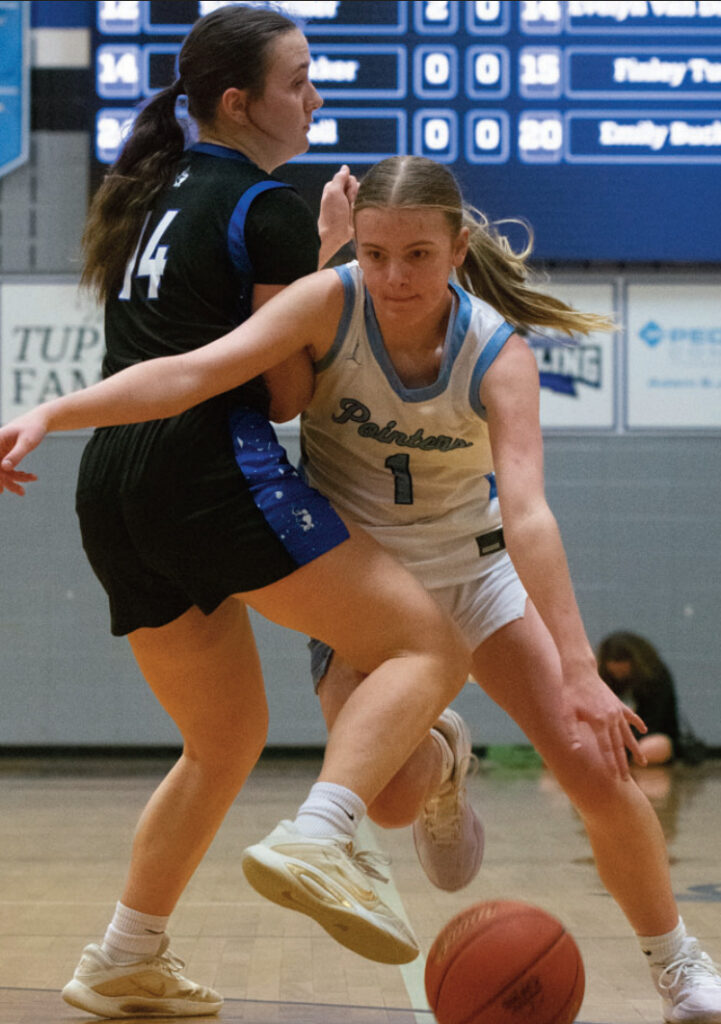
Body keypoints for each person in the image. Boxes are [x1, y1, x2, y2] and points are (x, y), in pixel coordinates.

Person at [4, 152, 720, 1024]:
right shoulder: (329, 300)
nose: (390, 276)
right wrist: (49, 414)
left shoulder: (496, 352)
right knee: (390, 802)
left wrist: (577, 670)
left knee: (591, 765)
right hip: (366, 582)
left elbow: (527, 516)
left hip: (474, 571)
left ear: (457, 249)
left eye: (415, 255)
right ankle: (441, 759)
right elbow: (193, 372)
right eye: (374, 253)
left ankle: (678, 967)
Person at [0, 12, 474, 1019]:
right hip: (208, 463)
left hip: (114, 478)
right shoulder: (262, 206)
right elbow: (286, 394)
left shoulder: (152, 193)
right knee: (427, 643)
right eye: (299, 81)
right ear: (237, 102)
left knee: (223, 739)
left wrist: (319, 252)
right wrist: (320, 264)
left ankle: (125, 953)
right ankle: (327, 830)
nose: (315, 98)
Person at [598, 631, 684, 765]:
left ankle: (622, 759)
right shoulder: (603, 679)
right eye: (614, 668)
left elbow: (654, 723)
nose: (618, 672)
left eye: (622, 666)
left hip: (647, 736)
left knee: (654, 747)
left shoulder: (656, 677)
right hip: (613, 739)